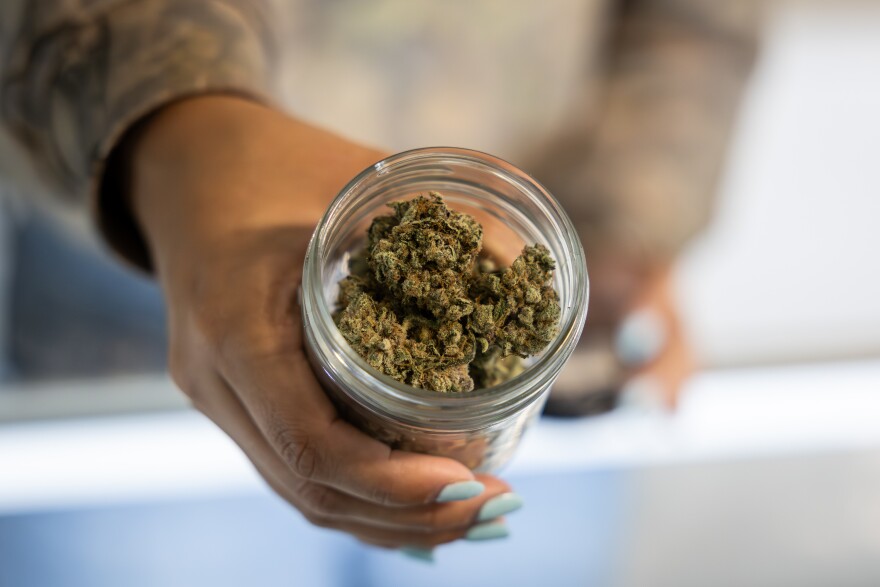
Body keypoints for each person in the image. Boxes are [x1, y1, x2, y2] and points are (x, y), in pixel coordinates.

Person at [0, 0, 760, 550]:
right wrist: (180, 128)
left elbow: (700, 19)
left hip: (537, 300)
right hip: (147, 277)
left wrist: (632, 210)